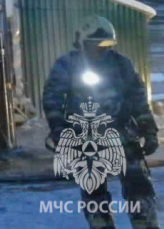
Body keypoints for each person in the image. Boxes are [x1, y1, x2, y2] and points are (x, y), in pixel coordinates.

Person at [43, 15, 159, 229]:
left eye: (106, 44)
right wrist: (59, 129)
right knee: (94, 195)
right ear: (83, 42)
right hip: (85, 138)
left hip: (123, 135)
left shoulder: (121, 64)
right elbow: (53, 99)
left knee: (140, 189)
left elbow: (138, 99)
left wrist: (149, 130)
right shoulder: (67, 65)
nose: (102, 49)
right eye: (97, 44)